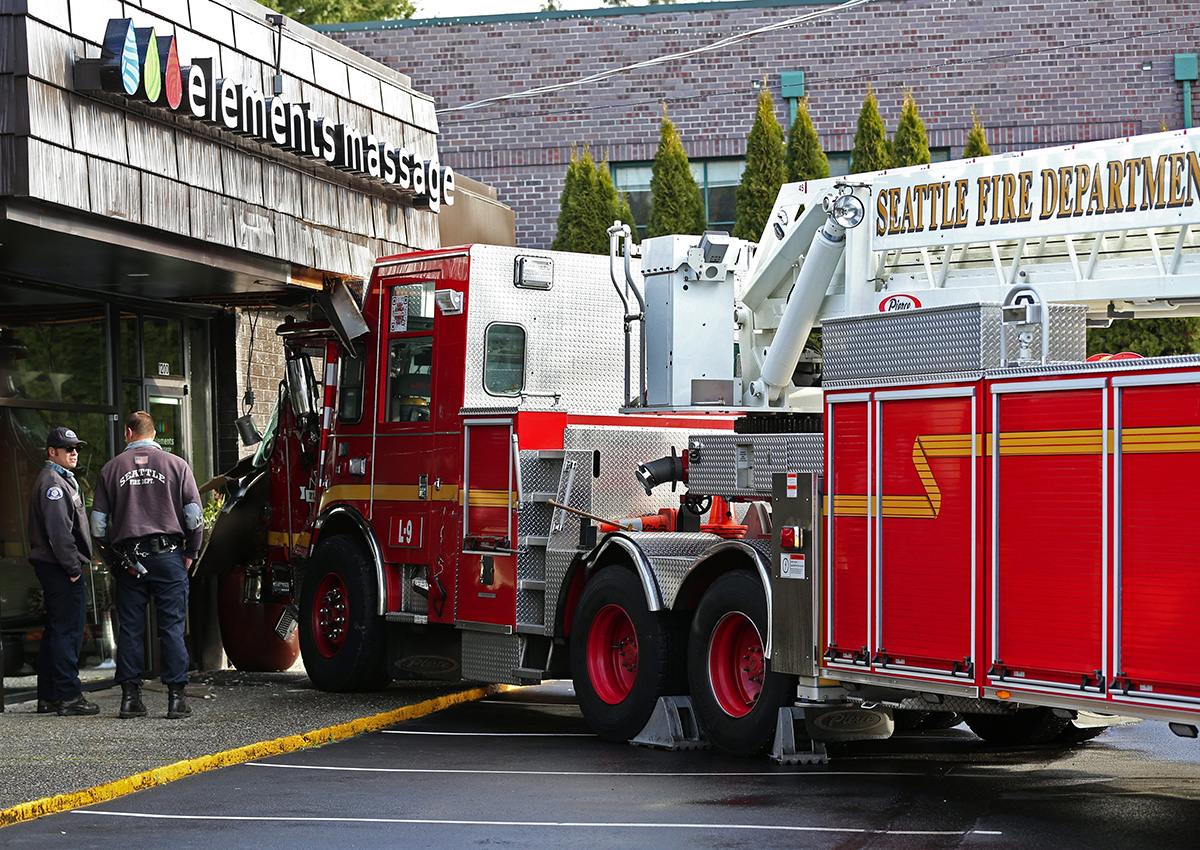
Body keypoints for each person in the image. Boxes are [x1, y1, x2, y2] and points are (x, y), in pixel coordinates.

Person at [91, 411, 203, 719]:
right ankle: (177, 699)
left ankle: (130, 699)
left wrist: (111, 560)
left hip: (129, 560)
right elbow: (194, 517)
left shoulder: (111, 469)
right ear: (153, 433)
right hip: (169, 557)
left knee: (130, 629)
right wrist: (190, 552)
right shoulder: (177, 466)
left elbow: (97, 526)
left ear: (128, 433)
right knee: (172, 629)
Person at [27, 426, 100, 716]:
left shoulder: (60, 479)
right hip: (60, 568)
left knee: (56, 632)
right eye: (67, 448)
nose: (73, 453)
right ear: (51, 452)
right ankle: (69, 697)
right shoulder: (53, 483)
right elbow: (59, 533)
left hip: (57, 567)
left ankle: (50, 696)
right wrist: (73, 569)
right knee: (68, 633)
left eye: (76, 448)